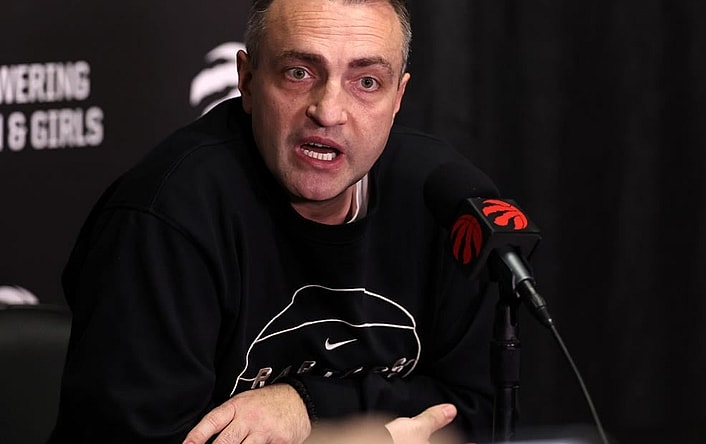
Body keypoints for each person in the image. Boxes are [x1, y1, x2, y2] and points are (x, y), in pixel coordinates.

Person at [49, 0, 496, 443]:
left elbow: (479, 414)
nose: (328, 111)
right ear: (246, 80)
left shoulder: (445, 201)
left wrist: (308, 405)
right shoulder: (165, 217)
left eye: (366, 82)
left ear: (398, 97)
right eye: (299, 73)